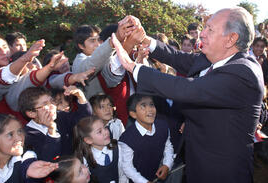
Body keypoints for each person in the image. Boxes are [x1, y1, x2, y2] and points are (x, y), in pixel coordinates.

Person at [113, 7, 264, 183]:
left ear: (231, 39)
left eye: (210, 29)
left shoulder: (243, 72)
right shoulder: (214, 59)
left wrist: (132, 67)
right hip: (197, 163)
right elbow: (179, 58)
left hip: (222, 172)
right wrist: (145, 40)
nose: (202, 34)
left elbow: (188, 89)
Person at [119, 94, 174, 183]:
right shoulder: (127, 139)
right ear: (133, 114)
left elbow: (168, 146)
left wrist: (167, 165)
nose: (150, 110)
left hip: (156, 175)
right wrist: (144, 181)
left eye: (151, 105)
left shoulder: (162, 126)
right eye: (143, 106)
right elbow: (127, 167)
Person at [0, 113, 58, 183]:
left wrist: (29, 175)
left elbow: (28, 164)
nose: (19, 138)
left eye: (20, 131)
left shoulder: (27, 156)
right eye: (10, 135)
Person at [73, 115, 127, 183]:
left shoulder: (118, 148)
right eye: (99, 132)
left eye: (105, 127)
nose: (106, 132)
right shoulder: (84, 159)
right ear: (88, 140)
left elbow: (123, 174)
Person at [19, 87, 61, 161]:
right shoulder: (28, 136)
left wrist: (81, 99)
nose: (52, 106)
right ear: (31, 113)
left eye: (52, 101)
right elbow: (48, 160)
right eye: (45, 104)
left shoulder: (61, 118)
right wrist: (51, 130)